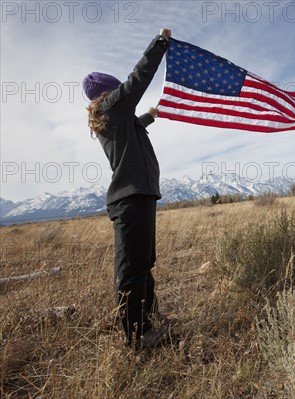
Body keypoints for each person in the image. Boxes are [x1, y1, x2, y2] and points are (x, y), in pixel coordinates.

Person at [83, 28, 172, 348]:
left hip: (140, 196)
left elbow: (131, 133)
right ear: (108, 92)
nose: (123, 91)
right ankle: (138, 336)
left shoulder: (116, 119)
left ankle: (149, 321)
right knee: (132, 271)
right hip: (131, 199)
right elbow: (139, 78)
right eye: (117, 88)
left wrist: (148, 116)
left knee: (142, 265)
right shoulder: (113, 106)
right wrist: (160, 43)